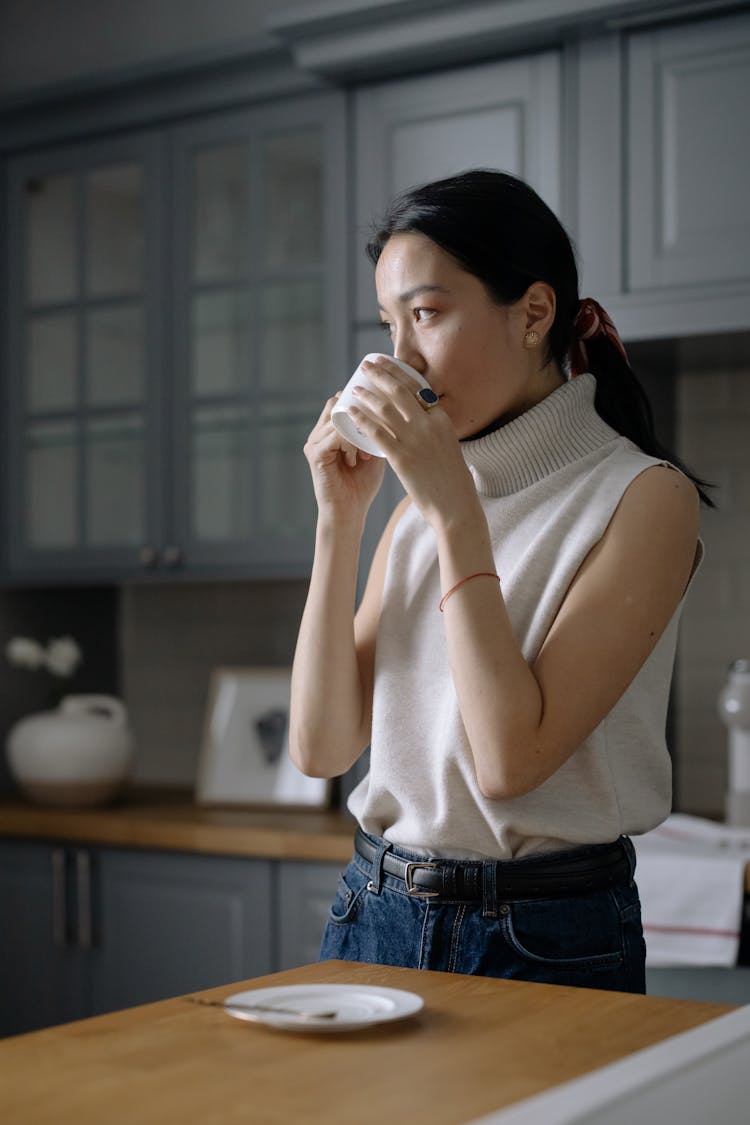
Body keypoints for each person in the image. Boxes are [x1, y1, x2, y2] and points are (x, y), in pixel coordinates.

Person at [289, 169, 709, 993]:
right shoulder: (417, 509)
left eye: (428, 313)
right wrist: (338, 521)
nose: (399, 356)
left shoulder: (647, 498)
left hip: (543, 934)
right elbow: (321, 747)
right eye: (388, 322)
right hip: (373, 906)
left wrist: (451, 510)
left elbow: (511, 760)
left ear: (534, 313)